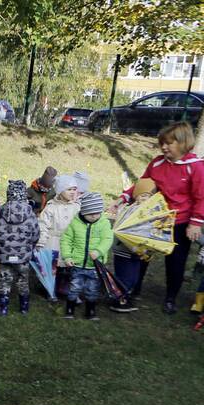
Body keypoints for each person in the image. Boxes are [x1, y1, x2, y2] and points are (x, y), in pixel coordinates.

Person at [112, 121, 204, 314]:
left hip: (179, 222)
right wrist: (123, 198)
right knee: (140, 254)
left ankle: (170, 298)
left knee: (176, 262)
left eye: (169, 143)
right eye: (162, 142)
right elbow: (142, 185)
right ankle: (134, 288)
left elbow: (200, 197)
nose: (163, 147)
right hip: (153, 218)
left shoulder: (195, 167)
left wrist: (195, 223)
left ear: (183, 143)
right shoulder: (157, 162)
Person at [60, 191, 113, 320]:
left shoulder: (104, 223)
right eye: (91, 214)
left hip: (94, 267)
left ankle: (90, 311)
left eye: (97, 213)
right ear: (83, 212)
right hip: (77, 265)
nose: (95, 216)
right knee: (74, 288)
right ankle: (69, 310)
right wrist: (67, 257)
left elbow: (107, 239)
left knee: (92, 290)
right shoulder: (75, 223)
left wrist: (99, 251)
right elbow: (66, 240)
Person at [0, 180, 40, 315]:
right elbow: (36, 233)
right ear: (24, 195)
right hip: (23, 256)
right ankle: (24, 308)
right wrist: (31, 245)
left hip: (3, 254)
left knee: (4, 281)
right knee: (23, 280)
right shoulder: (30, 213)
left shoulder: (1, 211)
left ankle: (3, 308)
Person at [37, 174, 81, 300]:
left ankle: (64, 288)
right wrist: (41, 242)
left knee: (68, 267)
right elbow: (43, 225)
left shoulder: (77, 207)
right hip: (53, 241)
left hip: (70, 242)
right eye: (69, 189)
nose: (73, 192)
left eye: (74, 189)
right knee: (52, 267)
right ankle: (49, 288)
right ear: (60, 191)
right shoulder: (51, 207)